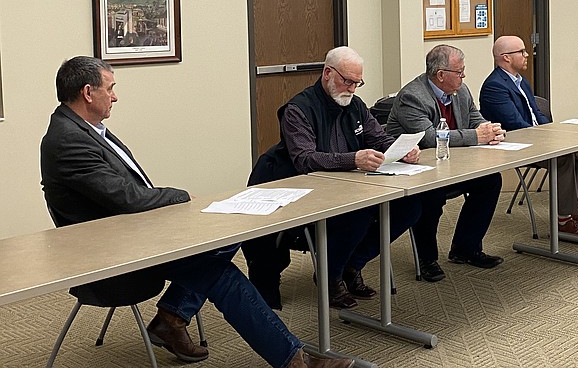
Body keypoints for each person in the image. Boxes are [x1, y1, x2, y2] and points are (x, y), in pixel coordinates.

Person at [40, 56, 352, 368]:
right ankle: (296, 361)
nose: (115, 96)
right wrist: (181, 197)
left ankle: (172, 317)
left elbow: (126, 196)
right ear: (87, 92)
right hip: (114, 255)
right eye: (110, 89)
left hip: (134, 232)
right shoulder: (68, 140)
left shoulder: (85, 128)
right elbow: (128, 198)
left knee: (228, 234)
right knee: (221, 274)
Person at [242, 47, 421, 310]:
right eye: (346, 81)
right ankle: (331, 275)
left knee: (411, 205)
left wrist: (402, 149)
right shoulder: (298, 109)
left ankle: (351, 264)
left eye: (357, 83)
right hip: (295, 187)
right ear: (327, 73)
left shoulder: (355, 105)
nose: (351, 88)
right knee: (358, 214)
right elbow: (305, 159)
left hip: (344, 186)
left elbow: (378, 138)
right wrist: (353, 159)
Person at [386, 44, 505, 283]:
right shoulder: (412, 97)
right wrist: (477, 136)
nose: (464, 76)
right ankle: (427, 259)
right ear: (441, 75)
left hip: (452, 165)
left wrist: (491, 130)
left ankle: (466, 248)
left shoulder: (461, 91)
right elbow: (429, 138)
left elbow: (475, 119)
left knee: (490, 181)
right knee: (431, 195)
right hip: (415, 169)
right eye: (459, 72)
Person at [479, 36, 578, 236]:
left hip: (536, 138)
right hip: (516, 143)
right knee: (562, 156)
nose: (527, 55)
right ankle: (563, 219)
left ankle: (575, 206)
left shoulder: (521, 81)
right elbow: (516, 125)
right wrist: (550, 139)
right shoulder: (494, 86)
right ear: (506, 58)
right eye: (521, 51)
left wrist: (555, 133)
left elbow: (537, 115)